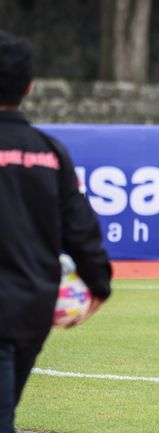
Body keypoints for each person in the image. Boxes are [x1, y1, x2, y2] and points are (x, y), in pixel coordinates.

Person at [0, 31, 113, 432]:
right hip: (31, 308)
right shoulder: (49, 152)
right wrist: (99, 283)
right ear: (30, 87)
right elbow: (81, 228)